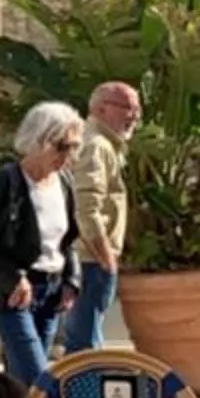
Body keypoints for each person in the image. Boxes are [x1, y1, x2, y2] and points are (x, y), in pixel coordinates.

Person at [0, 100, 83, 391]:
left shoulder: (63, 183)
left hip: (50, 295)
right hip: (14, 295)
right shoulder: (4, 183)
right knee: (40, 380)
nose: (68, 156)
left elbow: (67, 240)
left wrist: (71, 281)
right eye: (62, 146)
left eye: (74, 147)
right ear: (40, 140)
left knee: (20, 385)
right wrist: (12, 277)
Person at [62, 81, 141, 356]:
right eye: (126, 107)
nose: (134, 115)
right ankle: (83, 396)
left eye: (137, 109)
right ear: (100, 108)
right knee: (85, 341)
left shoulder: (101, 144)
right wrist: (105, 255)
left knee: (85, 334)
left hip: (89, 257)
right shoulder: (96, 145)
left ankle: (80, 393)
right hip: (89, 259)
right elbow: (86, 206)